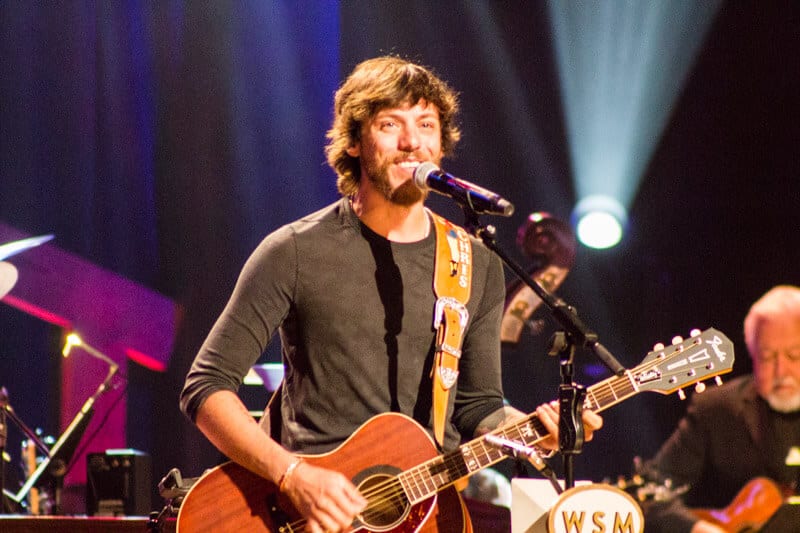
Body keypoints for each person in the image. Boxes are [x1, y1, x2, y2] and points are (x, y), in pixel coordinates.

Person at [180, 56, 603, 533]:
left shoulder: (474, 261)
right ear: (356, 141)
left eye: (426, 124)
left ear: (442, 143)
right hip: (304, 514)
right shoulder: (293, 251)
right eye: (390, 124)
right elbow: (206, 386)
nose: (412, 142)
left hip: (425, 515)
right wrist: (293, 474)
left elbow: (478, 406)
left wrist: (533, 434)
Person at [643, 285, 800, 533]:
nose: (782, 372)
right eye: (768, 357)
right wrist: (697, 528)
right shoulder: (716, 408)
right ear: (752, 354)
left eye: (794, 355)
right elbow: (651, 492)